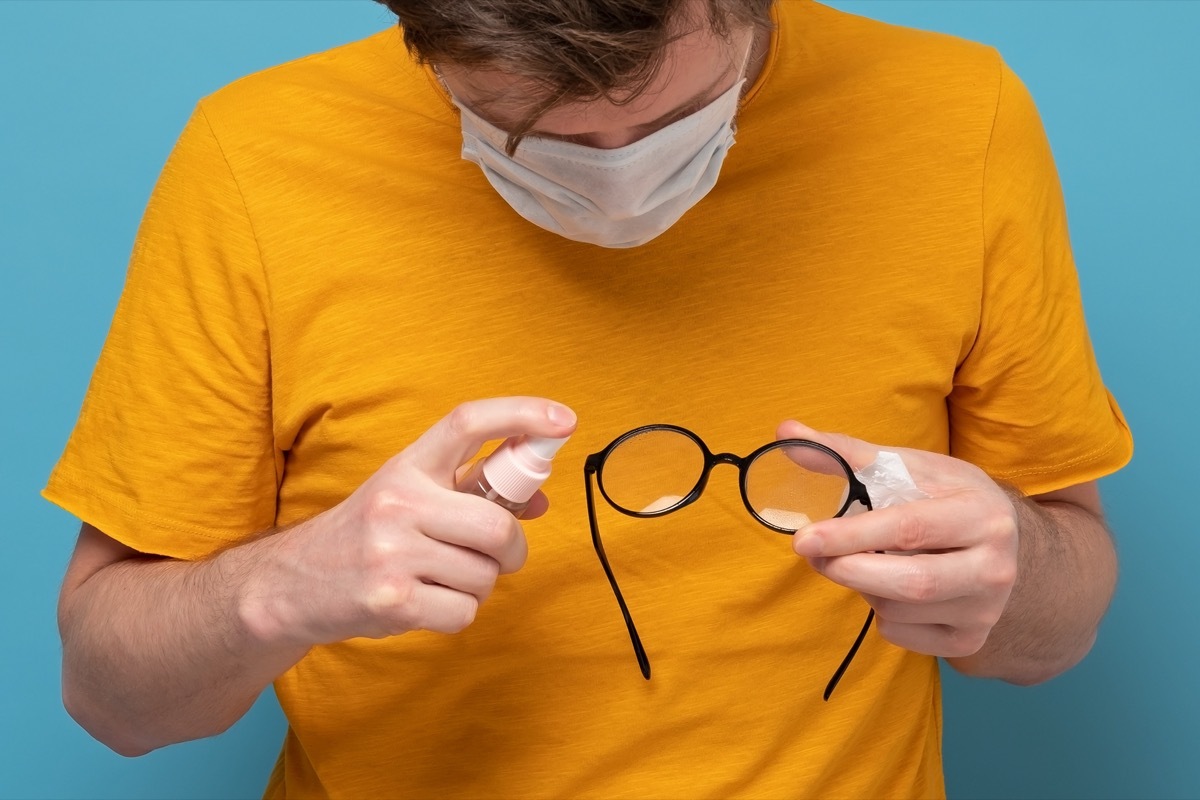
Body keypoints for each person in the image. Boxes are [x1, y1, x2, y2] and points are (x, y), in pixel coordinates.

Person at [44, 0, 1133, 797]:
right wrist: (278, 587)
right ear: (425, 39)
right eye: (536, 133)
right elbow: (115, 701)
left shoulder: (959, 117)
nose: (619, 167)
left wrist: (1017, 570)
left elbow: (1055, 626)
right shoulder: (255, 159)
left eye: (689, 107)